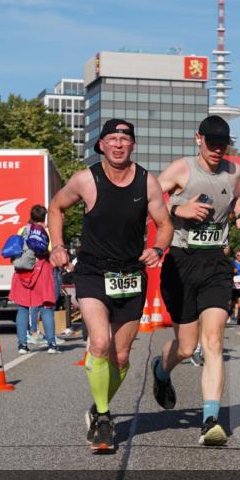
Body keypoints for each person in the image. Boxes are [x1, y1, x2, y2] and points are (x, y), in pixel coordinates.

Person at [48, 119, 173, 452]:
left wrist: (158, 248)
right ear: (101, 145)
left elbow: (164, 224)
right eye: (112, 139)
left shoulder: (148, 182)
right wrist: (57, 245)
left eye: (125, 139)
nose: (119, 144)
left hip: (131, 274)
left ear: (133, 145)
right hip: (92, 272)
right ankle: (104, 418)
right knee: (100, 343)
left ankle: (97, 405)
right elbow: (56, 207)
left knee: (121, 355)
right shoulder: (86, 179)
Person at [152, 115, 240, 446]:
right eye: (212, 143)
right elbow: (147, 202)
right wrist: (177, 209)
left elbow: (235, 197)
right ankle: (161, 370)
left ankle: (210, 420)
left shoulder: (234, 171)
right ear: (199, 139)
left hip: (215, 264)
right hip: (180, 262)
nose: (217, 150)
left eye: (223, 145)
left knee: (213, 341)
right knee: (186, 346)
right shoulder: (181, 170)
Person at [10, 205, 60, 355]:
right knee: (46, 307)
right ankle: (52, 344)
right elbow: (50, 252)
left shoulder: (22, 230)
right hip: (42, 270)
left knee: (23, 308)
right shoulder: (46, 232)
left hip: (23, 272)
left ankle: (22, 345)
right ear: (44, 217)